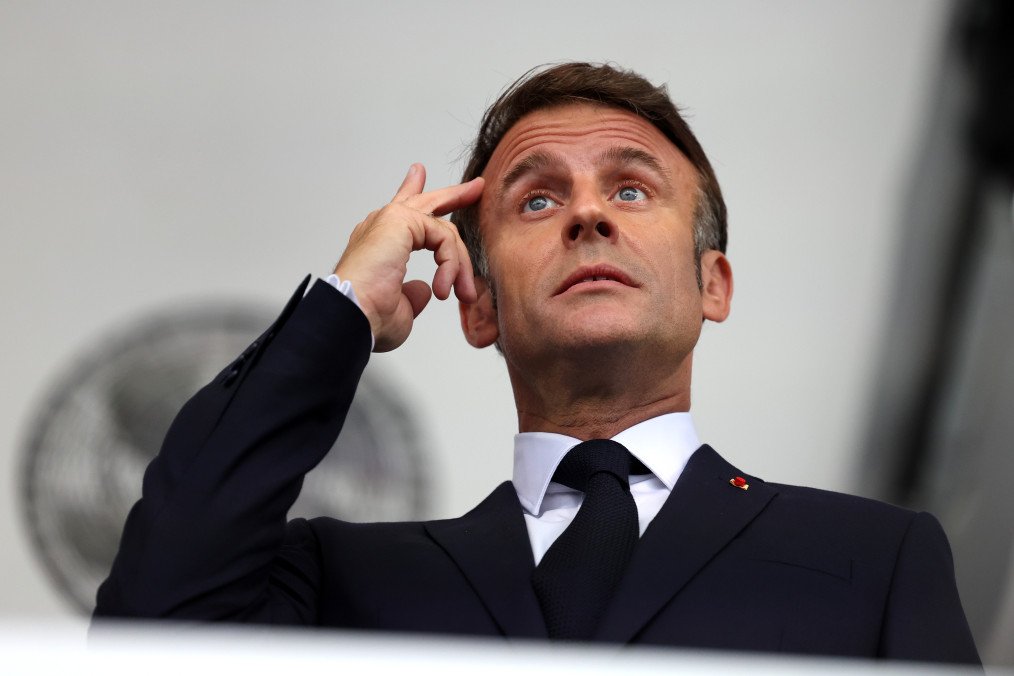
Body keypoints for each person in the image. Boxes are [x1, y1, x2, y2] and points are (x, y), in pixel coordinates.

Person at [94, 63, 979, 663]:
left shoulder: (876, 559)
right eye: (538, 196)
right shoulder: (345, 585)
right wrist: (340, 314)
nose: (588, 217)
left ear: (713, 282)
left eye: (631, 188)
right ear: (476, 304)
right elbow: (150, 629)